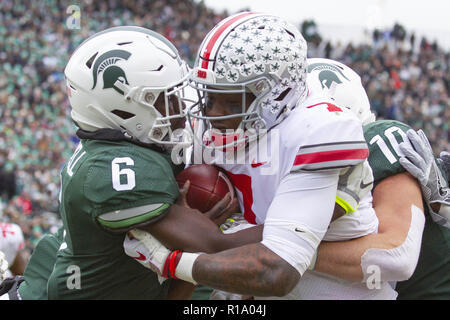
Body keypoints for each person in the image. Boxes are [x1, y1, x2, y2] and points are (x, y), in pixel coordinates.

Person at [124, 12, 387, 298]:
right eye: (210, 97)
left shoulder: (318, 130)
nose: (211, 114)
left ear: (277, 96)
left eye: (230, 101)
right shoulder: (214, 123)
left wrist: (170, 261)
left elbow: (275, 271)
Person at [0, 26, 263, 300]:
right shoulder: (115, 168)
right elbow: (215, 245)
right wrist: (299, 226)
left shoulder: (123, 144)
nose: (182, 109)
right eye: (166, 98)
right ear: (123, 109)